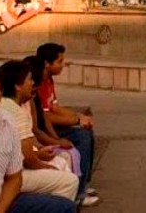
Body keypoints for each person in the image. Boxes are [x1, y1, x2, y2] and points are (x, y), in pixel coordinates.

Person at [0, 64, 75, 212]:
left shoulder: (7, 122)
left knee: (63, 207)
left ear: (1, 94)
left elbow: (14, 178)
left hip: (0, 202)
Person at [0, 60, 79, 203]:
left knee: (63, 160)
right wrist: (47, 167)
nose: (32, 83)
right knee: (69, 181)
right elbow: (29, 160)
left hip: (8, 170)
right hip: (10, 176)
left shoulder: (7, 105)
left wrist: (41, 152)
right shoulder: (15, 112)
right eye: (29, 79)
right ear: (17, 86)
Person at [36, 43, 97, 203]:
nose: (63, 65)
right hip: (45, 130)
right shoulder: (39, 83)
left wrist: (79, 116)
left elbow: (55, 107)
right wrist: (75, 121)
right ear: (47, 64)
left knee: (88, 131)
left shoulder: (49, 80)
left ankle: (84, 182)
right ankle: (79, 193)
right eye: (60, 61)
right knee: (82, 137)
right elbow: (46, 117)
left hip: (52, 126)